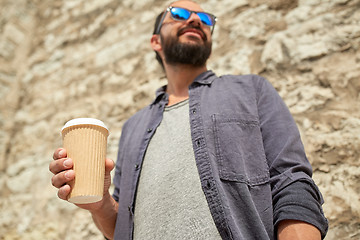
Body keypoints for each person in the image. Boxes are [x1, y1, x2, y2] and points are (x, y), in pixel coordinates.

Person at [49, 0, 328, 239]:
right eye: (179, 14)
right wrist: (100, 204)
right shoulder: (133, 126)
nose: (195, 19)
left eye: (205, 19)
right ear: (155, 41)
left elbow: (292, 182)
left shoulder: (252, 90)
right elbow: (121, 228)